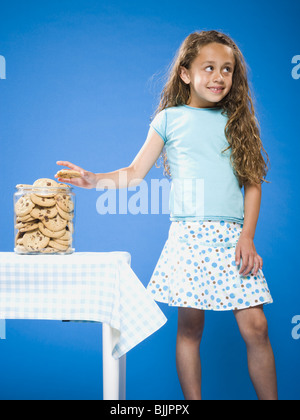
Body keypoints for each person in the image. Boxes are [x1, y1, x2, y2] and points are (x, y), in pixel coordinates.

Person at [55, 30, 278, 400]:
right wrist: (93, 179)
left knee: (256, 326)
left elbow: (252, 184)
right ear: (186, 74)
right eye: (208, 67)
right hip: (188, 237)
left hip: (231, 238)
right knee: (190, 328)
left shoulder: (238, 122)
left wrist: (247, 236)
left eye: (227, 69)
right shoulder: (169, 119)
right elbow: (133, 173)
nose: (219, 76)